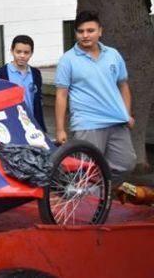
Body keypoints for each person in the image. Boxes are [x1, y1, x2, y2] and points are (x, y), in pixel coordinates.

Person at [55, 10, 135, 183]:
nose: (85, 35)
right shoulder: (67, 60)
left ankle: (99, 194)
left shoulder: (113, 54)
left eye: (90, 30)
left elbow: (123, 85)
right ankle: (89, 204)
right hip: (87, 123)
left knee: (127, 163)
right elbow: (61, 95)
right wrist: (60, 129)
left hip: (117, 121)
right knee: (86, 169)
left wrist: (127, 113)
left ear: (100, 31)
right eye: (80, 31)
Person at [0, 35, 47, 132]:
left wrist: (41, 127)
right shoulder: (0, 74)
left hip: (33, 126)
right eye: (18, 52)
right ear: (12, 51)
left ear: (31, 53)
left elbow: (38, 102)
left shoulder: (36, 73)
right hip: (11, 126)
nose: (22, 55)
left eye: (26, 52)